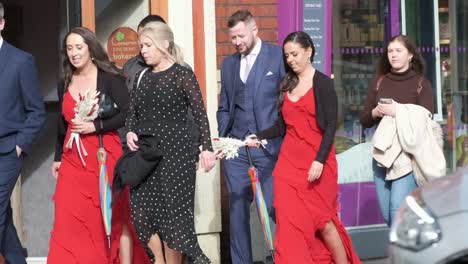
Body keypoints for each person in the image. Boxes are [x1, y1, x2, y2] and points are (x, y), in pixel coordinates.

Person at [248, 31, 360, 264]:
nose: (290, 59)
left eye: (295, 54)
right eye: (287, 55)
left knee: (324, 223)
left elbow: (330, 126)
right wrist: (258, 136)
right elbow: (281, 126)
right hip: (289, 165)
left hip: (318, 162)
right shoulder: (286, 83)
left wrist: (319, 160)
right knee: (290, 225)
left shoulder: (323, 83)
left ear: (308, 52)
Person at [48, 27, 150, 264]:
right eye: (69, 48)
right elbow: (62, 124)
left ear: (91, 49)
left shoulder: (109, 78)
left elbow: (127, 113)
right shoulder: (65, 79)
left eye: (79, 47)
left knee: (107, 217)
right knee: (68, 218)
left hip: (103, 156)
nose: (74, 53)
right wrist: (57, 157)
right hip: (72, 160)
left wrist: (97, 126)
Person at [126, 21, 216, 264]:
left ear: (164, 44)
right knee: (141, 212)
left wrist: (207, 148)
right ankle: (159, 260)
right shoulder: (142, 76)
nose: (143, 50)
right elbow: (132, 113)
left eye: (147, 45)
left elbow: (200, 114)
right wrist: (130, 132)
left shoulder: (181, 74)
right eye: (141, 45)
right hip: (147, 157)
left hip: (177, 157)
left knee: (174, 219)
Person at [216, 10, 285, 263]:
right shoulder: (230, 64)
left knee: (273, 208)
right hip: (236, 149)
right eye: (232, 37)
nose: (237, 42)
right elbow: (225, 105)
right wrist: (224, 139)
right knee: (236, 212)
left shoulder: (278, 57)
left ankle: (285, 257)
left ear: (255, 30)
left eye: (241, 36)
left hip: (268, 148)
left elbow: (286, 103)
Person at [360, 35, 435, 226]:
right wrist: (376, 112)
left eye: (398, 51)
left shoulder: (421, 84)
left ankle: (402, 254)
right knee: (387, 214)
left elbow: (428, 118)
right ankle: (411, 247)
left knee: (396, 209)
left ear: (410, 55)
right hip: (382, 154)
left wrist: (398, 111)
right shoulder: (379, 82)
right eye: (390, 51)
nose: (393, 55)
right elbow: (364, 120)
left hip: (408, 155)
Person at [0, 3, 45, 263]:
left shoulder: (21, 60)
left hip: (7, 151)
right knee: (3, 216)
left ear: (2, 24)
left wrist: (20, 144)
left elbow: (36, 110)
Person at [122, 15, 200, 162]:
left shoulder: (182, 71)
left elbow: (192, 115)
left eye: (149, 41)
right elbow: (128, 109)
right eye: (141, 41)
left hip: (176, 149)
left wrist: (194, 148)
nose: (144, 47)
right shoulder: (131, 69)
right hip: (142, 150)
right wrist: (127, 141)